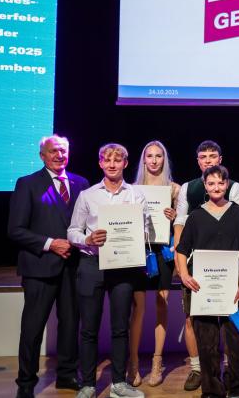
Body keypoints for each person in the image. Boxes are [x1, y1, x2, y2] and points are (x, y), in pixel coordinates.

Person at [8, 135, 90, 398]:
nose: (59, 155)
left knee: (70, 324)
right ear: (42, 155)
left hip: (73, 267)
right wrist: (50, 243)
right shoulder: (27, 184)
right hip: (39, 267)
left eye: (63, 151)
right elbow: (15, 230)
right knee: (32, 327)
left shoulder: (81, 184)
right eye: (53, 151)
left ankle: (67, 375)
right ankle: (26, 383)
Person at [67, 143, 149, 398]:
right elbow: (72, 231)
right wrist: (87, 240)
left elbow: (144, 230)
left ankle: (118, 384)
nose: (112, 164)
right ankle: (89, 383)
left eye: (118, 160)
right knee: (89, 329)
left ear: (126, 163)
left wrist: (136, 236)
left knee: (120, 328)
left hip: (123, 265)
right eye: (107, 160)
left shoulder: (136, 195)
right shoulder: (88, 195)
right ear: (100, 163)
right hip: (91, 265)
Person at [173, 140, 239, 391]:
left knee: (236, 340)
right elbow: (182, 250)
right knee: (207, 341)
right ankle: (212, 389)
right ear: (205, 186)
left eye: (221, 183)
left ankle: (238, 387)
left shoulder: (237, 212)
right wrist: (184, 275)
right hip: (202, 285)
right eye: (211, 183)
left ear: (227, 185)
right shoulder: (195, 216)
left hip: (232, 286)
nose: (216, 187)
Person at [127, 141, 181, 387]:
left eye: (159, 155)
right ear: (143, 159)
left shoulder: (174, 189)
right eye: (150, 155)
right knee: (138, 308)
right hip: (139, 251)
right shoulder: (132, 189)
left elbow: (183, 224)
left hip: (163, 252)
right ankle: (134, 362)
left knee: (162, 303)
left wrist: (175, 216)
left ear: (164, 159)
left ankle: (157, 361)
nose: (154, 160)